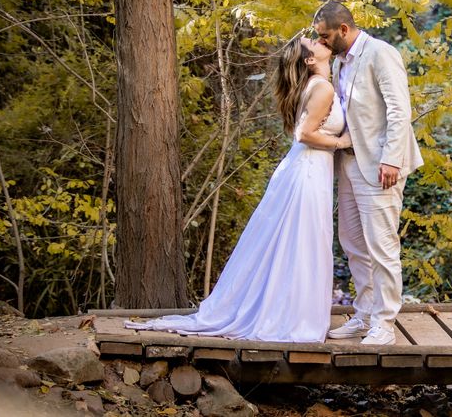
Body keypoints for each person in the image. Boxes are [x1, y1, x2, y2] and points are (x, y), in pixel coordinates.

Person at [124, 35, 351, 342]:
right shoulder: (321, 87)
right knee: (303, 241)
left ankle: (287, 309)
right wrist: (342, 142)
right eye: (313, 41)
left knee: (296, 242)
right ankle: (291, 316)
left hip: (307, 169)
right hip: (308, 171)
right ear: (310, 60)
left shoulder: (316, 85)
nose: (319, 40)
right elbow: (304, 133)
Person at [312, 1, 424, 346]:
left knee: (382, 245)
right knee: (353, 243)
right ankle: (363, 313)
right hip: (349, 163)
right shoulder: (340, 63)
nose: (323, 42)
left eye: (326, 36)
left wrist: (391, 159)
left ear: (343, 29)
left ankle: (384, 322)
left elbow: (398, 110)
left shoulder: (380, 53)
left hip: (380, 166)